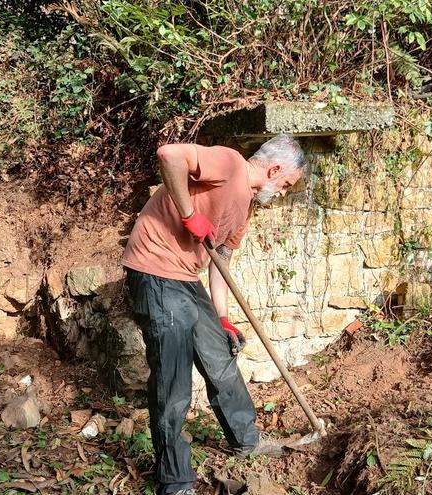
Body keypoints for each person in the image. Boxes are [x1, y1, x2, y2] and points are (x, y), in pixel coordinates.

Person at [122, 134, 308, 495]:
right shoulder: (229, 163)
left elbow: (221, 260)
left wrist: (221, 317)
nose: (283, 192)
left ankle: (246, 439)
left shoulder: (247, 205)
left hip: (186, 278)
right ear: (274, 168)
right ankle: (175, 481)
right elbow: (169, 155)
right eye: (286, 184)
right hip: (155, 271)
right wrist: (189, 214)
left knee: (219, 355)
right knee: (173, 380)